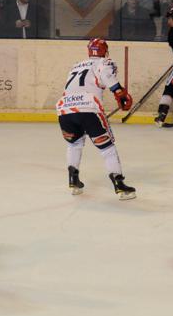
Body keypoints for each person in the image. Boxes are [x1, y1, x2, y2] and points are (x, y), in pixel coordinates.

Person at [57, 38, 136, 199]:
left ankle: (73, 180)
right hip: (89, 108)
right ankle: (120, 185)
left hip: (64, 109)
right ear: (104, 51)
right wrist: (119, 92)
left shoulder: (75, 66)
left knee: (74, 144)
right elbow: (107, 75)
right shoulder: (104, 62)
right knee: (107, 148)